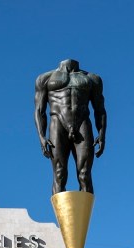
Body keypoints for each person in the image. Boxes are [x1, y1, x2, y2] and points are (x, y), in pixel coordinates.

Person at [34, 59, 107, 194]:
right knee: (59, 173)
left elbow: (100, 110)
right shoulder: (45, 78)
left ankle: (84, 215)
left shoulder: (92, 79)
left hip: (82, 123)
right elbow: (39, 110)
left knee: (85, 174)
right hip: (57, 123)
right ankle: (61, 215)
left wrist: (102, 134)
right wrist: (41, 136)